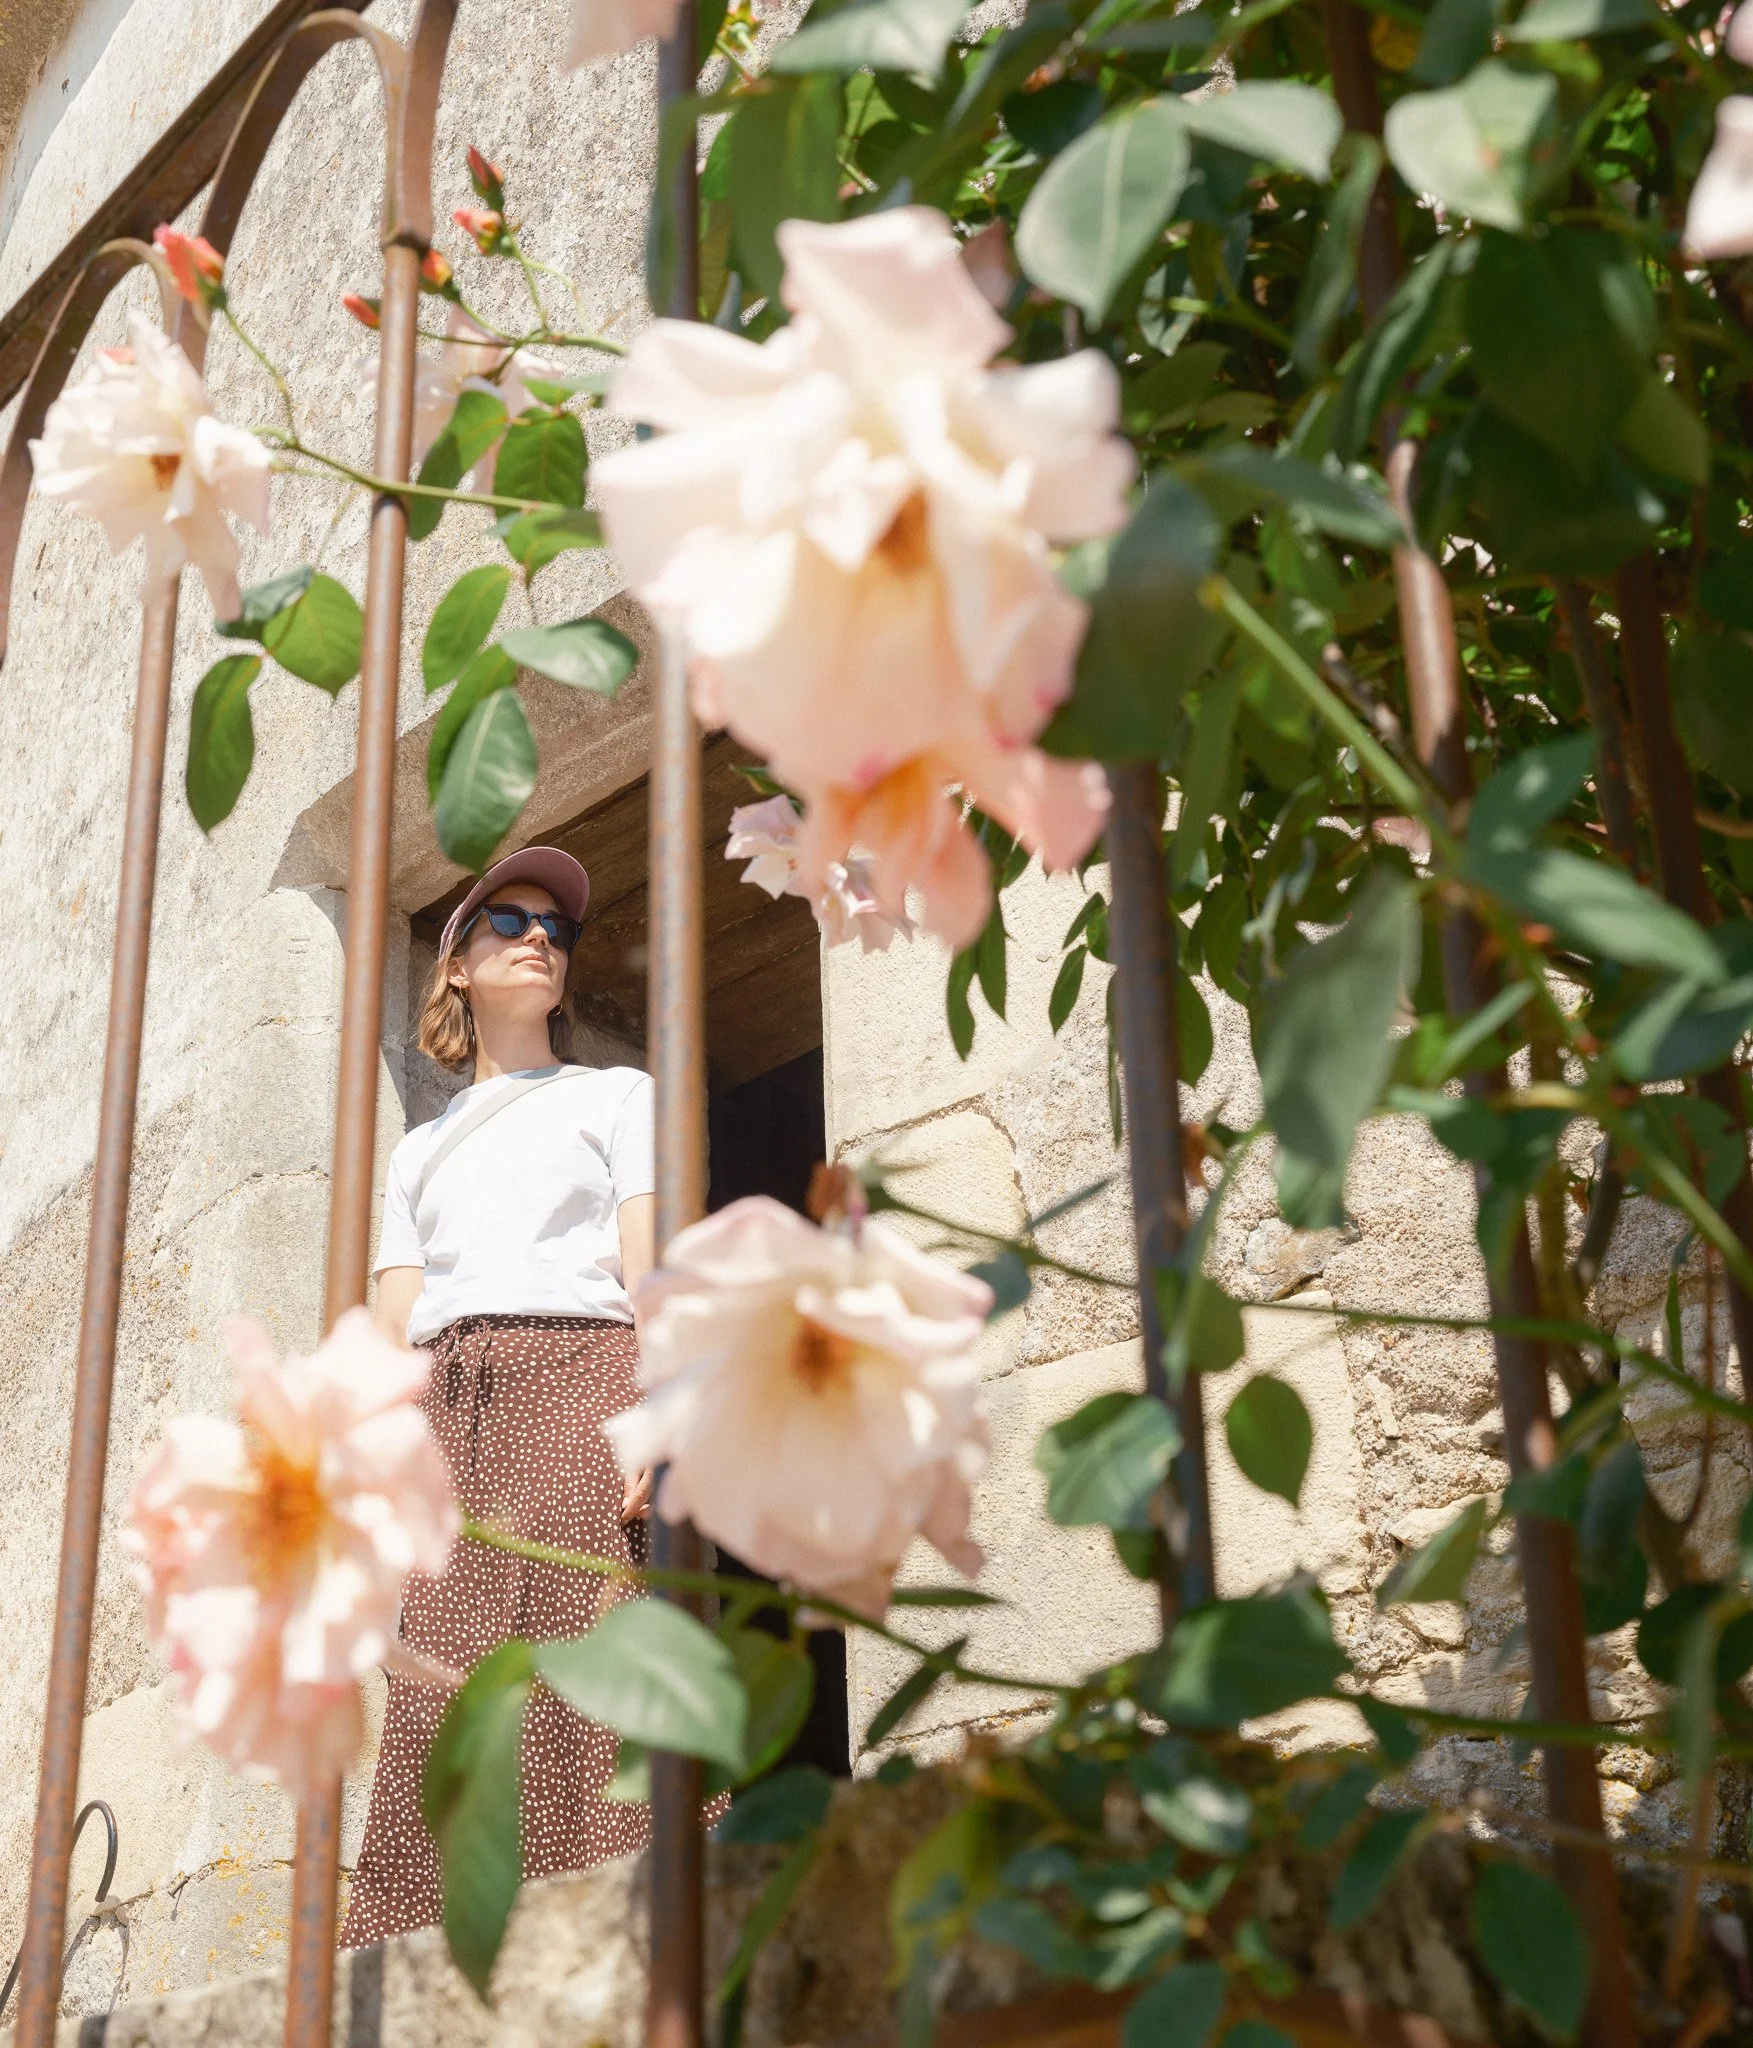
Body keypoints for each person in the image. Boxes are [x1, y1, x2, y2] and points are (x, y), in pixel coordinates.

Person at [340, 845, 657, 1949]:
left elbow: (646, 1260)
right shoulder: (416, 1150)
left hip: (580, 1373)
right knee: (447, 1690)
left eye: (557, 929)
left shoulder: (617, 1094)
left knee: (586, 1648)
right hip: (447, 1409)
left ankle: (621, 1943)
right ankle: (439, 1954)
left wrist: (658, 1414)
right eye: (509, 921)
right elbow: (393, 1323)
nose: (540, 938)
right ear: (456, 966)